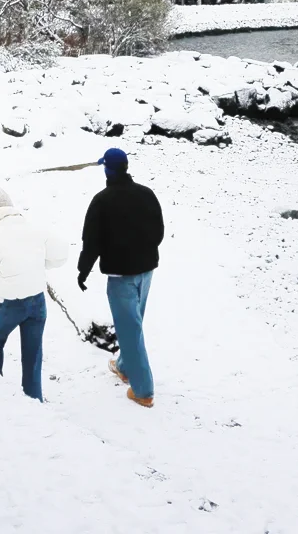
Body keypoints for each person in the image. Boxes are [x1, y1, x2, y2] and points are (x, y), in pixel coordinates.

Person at [77, 148, 164, 408]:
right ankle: (125, 367)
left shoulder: (102, 201)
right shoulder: (147, 194)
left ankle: (143, 391)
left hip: (121, 276)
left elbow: (91, 242)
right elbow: (159, 232)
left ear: (107, 170)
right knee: (132, 326)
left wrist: (83, 270)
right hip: (146, 272)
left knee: (129, 329)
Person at [0, 187, 68, 402]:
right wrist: (40, 263)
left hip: (10, 305)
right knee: (33, 354)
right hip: (38, 302)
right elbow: (62, 254)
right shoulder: (35, 230)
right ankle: (34, 400)